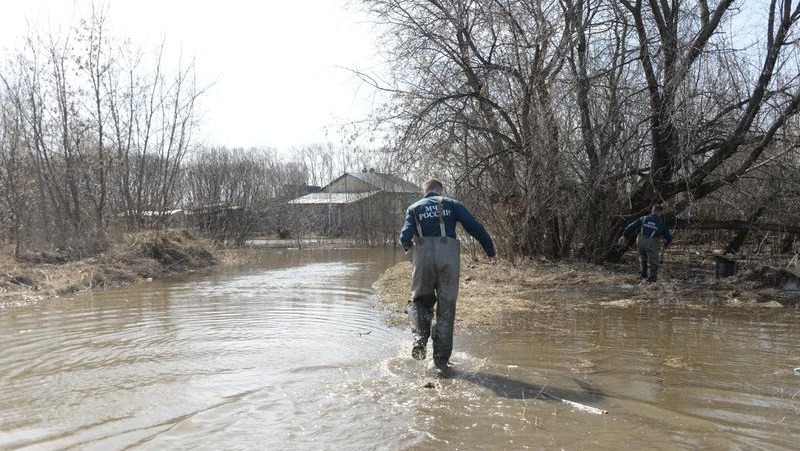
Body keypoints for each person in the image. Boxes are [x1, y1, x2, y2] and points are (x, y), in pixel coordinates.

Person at [399, 178, 496, 372]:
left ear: (423, 191)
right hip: (448, 260)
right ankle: (441, 361)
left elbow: (404, 237)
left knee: (419, 301)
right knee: (446, 308)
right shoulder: (451, 204)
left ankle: (420, 338)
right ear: (441, 190)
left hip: (423, 261)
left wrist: (412, 252)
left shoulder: (414, 208)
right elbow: (475, 227)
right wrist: (490, 250)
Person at [619, 204, 672, 283]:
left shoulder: (644, 218)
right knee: (653, 261)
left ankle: (643, 277)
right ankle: (652, 281)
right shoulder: (661, 223)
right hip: (651, 242)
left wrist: (624, 236)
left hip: (640, 240)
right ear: (660, 212)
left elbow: (631, 226)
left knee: (643, 259)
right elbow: (668, 237)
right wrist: (666, 243)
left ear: (652, 211)